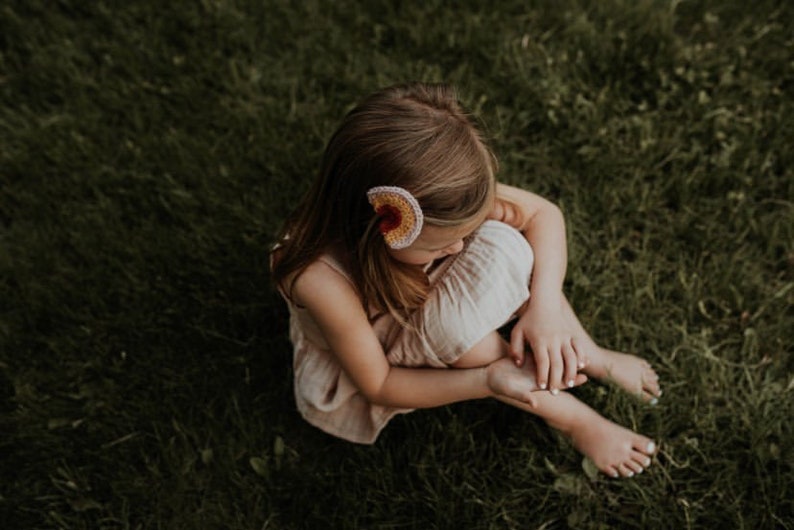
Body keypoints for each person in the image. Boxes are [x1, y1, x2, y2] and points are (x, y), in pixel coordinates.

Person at [271, 82, 662, 478]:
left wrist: (544, 307)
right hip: (385, 334)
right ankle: (573, 418)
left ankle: (583, 351)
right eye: (442, 244)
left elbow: (544, 215)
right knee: (459, 334)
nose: (460, 248)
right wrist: (487, 380)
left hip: (415, 280)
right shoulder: (319, 280)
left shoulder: (442, 186)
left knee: (513, 246)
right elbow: (380, 383)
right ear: (382, 227)